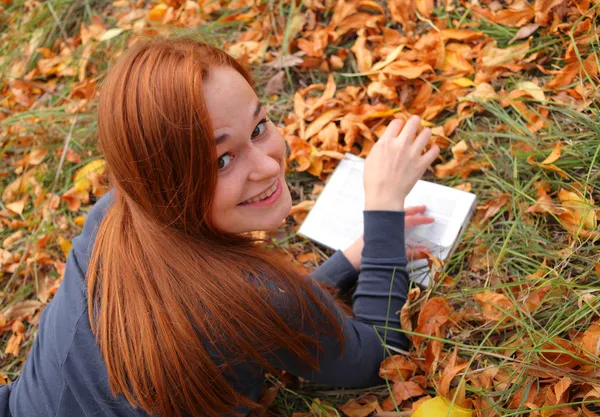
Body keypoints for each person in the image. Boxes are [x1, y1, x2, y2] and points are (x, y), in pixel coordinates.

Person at [0, 37, 439, 417]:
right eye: (222, 160)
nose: (268, 165)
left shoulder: (111, 216)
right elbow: (378, 358)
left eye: (260, 126)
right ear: (162, 186)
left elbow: (264, 316)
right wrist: (382, 204)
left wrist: (346, 262)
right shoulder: (253, 297)